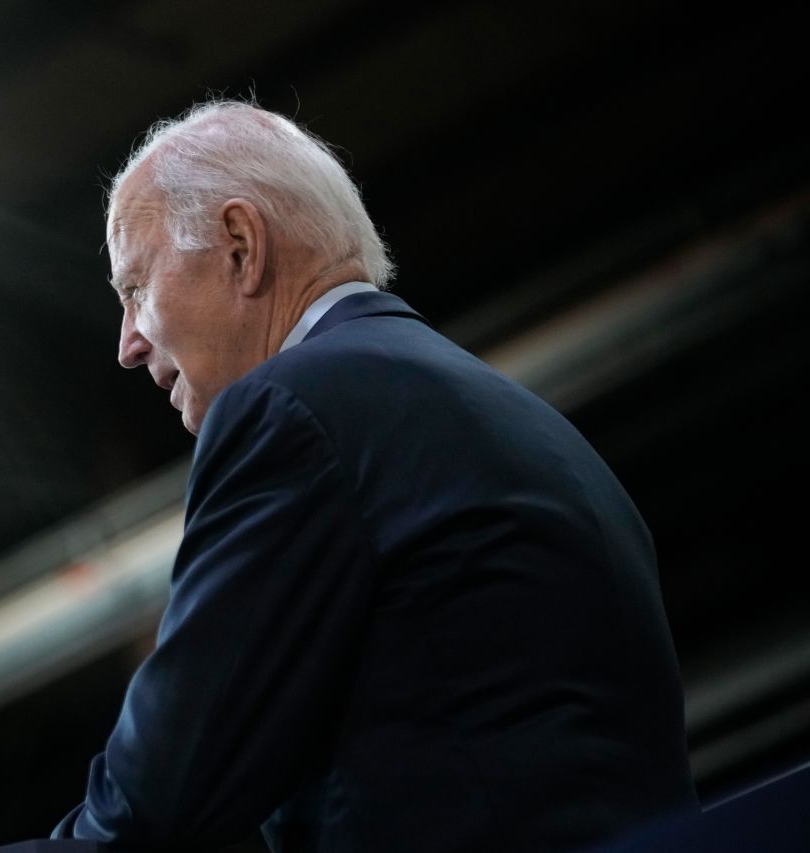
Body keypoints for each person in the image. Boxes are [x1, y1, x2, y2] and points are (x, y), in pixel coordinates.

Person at [51, 99, 698, 852]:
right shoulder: (528, 424)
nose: (128, 343)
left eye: (135, 288)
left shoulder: (293, 409)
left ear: (239, 244)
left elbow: (158, 796)